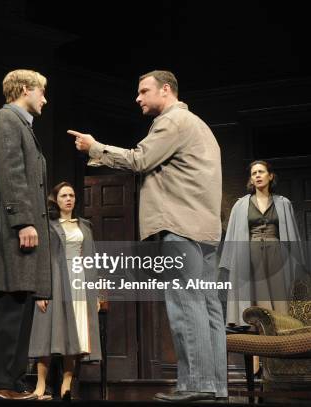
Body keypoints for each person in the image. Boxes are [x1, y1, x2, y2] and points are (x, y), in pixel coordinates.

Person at [68, 70, 227, 402]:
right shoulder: (201, 126)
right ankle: (213, 387)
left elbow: (140, 159)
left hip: (181, 228)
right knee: (208, 309)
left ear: (166, 90)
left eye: (143, 91)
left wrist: (94, 147)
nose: (138, 98)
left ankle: (195, 385)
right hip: (205, 231)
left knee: (186, 306)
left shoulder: (172, 122)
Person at [0, 69, 51, 400]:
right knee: (7, 303)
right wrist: (23, 221)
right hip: (10, 235)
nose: (44, 99)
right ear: (23, 89)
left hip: (18, 236)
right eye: (41, 92)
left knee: (20, 302)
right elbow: (12, 174)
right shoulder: (5, 121)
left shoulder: (21, 126)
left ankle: (12, 381)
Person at [28, 182, 102, 401]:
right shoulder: (48, 226)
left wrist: (95, 292)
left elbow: (91, 260)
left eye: (71, 195)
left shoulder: (85, 226)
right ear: (56, 200)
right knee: (47, 333)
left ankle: (66, 385)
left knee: (75, 334)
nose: (68, 199)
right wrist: (41, 292)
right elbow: (41, 260)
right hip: (56, 282)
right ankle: (41, 383)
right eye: (64, 195)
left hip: (80, 282)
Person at [220, 161, 306, 326]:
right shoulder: (240, 205)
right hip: (250, 253)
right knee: (257, 296)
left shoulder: (283, 203)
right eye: (254, 173)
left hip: (277, 253)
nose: (258, 175)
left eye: (261, 171)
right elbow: (233, 234)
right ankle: (258, 343)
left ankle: (282, 335)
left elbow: (291, 234)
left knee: (280, 294)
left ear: (270, 176)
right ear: (251, 180)